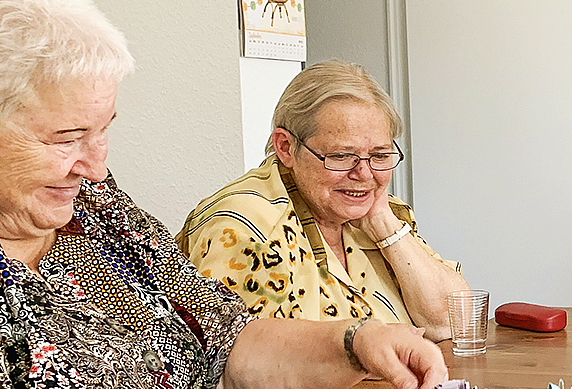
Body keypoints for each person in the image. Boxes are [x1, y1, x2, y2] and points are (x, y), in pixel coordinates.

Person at [0, 0, 449, 389]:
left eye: (103, 130)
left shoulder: (98, 208)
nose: (94, 164)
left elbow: (223, 349)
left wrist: (354, 343)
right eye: (65, 139)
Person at [177, 60, 469, 342]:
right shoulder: (246, 229)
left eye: (379, 156)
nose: (364, 173)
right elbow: (255, 373)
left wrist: (384, 225)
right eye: (341, 156)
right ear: (286, 147)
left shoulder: (371, 212)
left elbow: (453, 323)